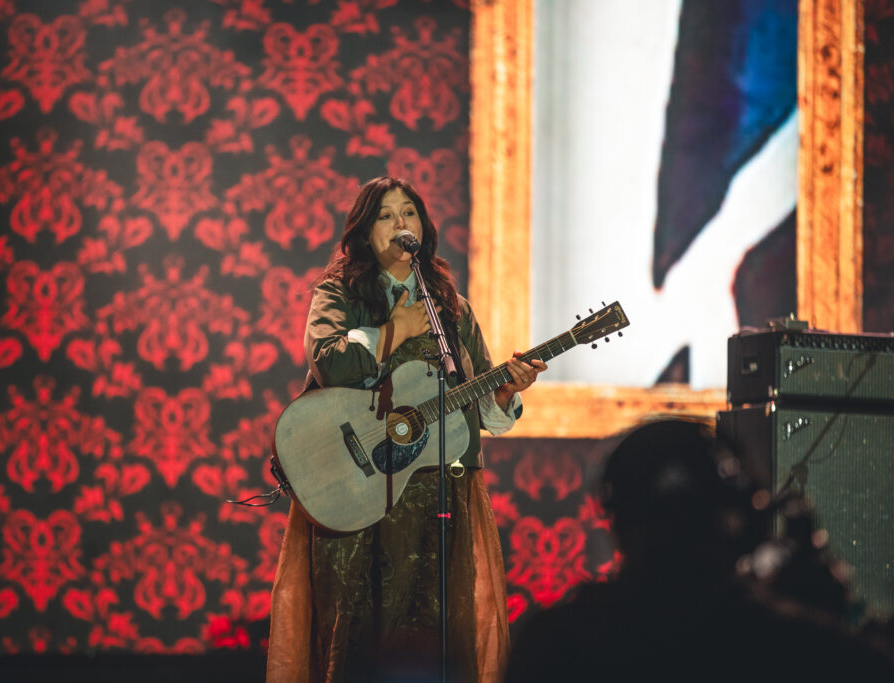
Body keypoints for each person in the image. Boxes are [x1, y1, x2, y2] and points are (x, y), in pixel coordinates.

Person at [266, 176, 547, 682]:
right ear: (364, 231)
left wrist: (504, 392)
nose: (401, 224)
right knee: (354, 637)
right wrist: (394, 330)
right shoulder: (339, 294)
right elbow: (329, 364)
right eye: (386, 215)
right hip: (354, 492)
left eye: (410, 213)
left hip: (435, 497)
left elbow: (476, 403)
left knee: (436, 630)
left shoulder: (452, 308)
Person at [505, 418, 894, 681]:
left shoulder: (553, 643)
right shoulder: (793, 647)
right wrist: (833, 613)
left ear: (617, 522)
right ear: (740, 520)